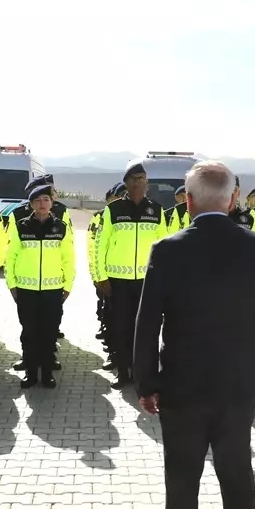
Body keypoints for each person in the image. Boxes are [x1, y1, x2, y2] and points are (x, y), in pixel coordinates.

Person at [134, 161, 255, 509]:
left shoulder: (168, 249)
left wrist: (146, 383)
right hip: (240, 386)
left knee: (183, 479)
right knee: (237, 475)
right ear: (234, 199)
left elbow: (146, 325)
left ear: (188, 200)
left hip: (182, 387)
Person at [94, 162, 167, 387]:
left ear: (147, 183)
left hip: (147, 282)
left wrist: (163, 280)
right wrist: (101, 277)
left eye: (142, 178)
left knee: (146, 329)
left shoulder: (156, 210)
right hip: (118, 283)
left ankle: (143, 374)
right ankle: (123, 372)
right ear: (126, 183)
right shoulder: (113, 210)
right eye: (134, 178)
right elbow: (100, 245)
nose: (138, 183)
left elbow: (164, 248)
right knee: (121, 328)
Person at [5, 183, 75, 388]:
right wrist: (12, 285)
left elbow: (68, 259)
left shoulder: (61, 227)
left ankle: (46, 373)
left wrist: (68, 285)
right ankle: (30, 373)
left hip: (53, 291)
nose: (42, 204)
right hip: (26, 290)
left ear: (52, 203)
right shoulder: (21, 227)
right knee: (29, 333)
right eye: (37, 200)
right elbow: (11, 258)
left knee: (48, 333)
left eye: (46, 200)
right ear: (32, 204)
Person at [89, 183, 124, 364]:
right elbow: (94, 246)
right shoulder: (101, 217)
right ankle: (112, 350)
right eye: (118, 196)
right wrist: (96, 274)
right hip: (107, 275)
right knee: (109, 314)